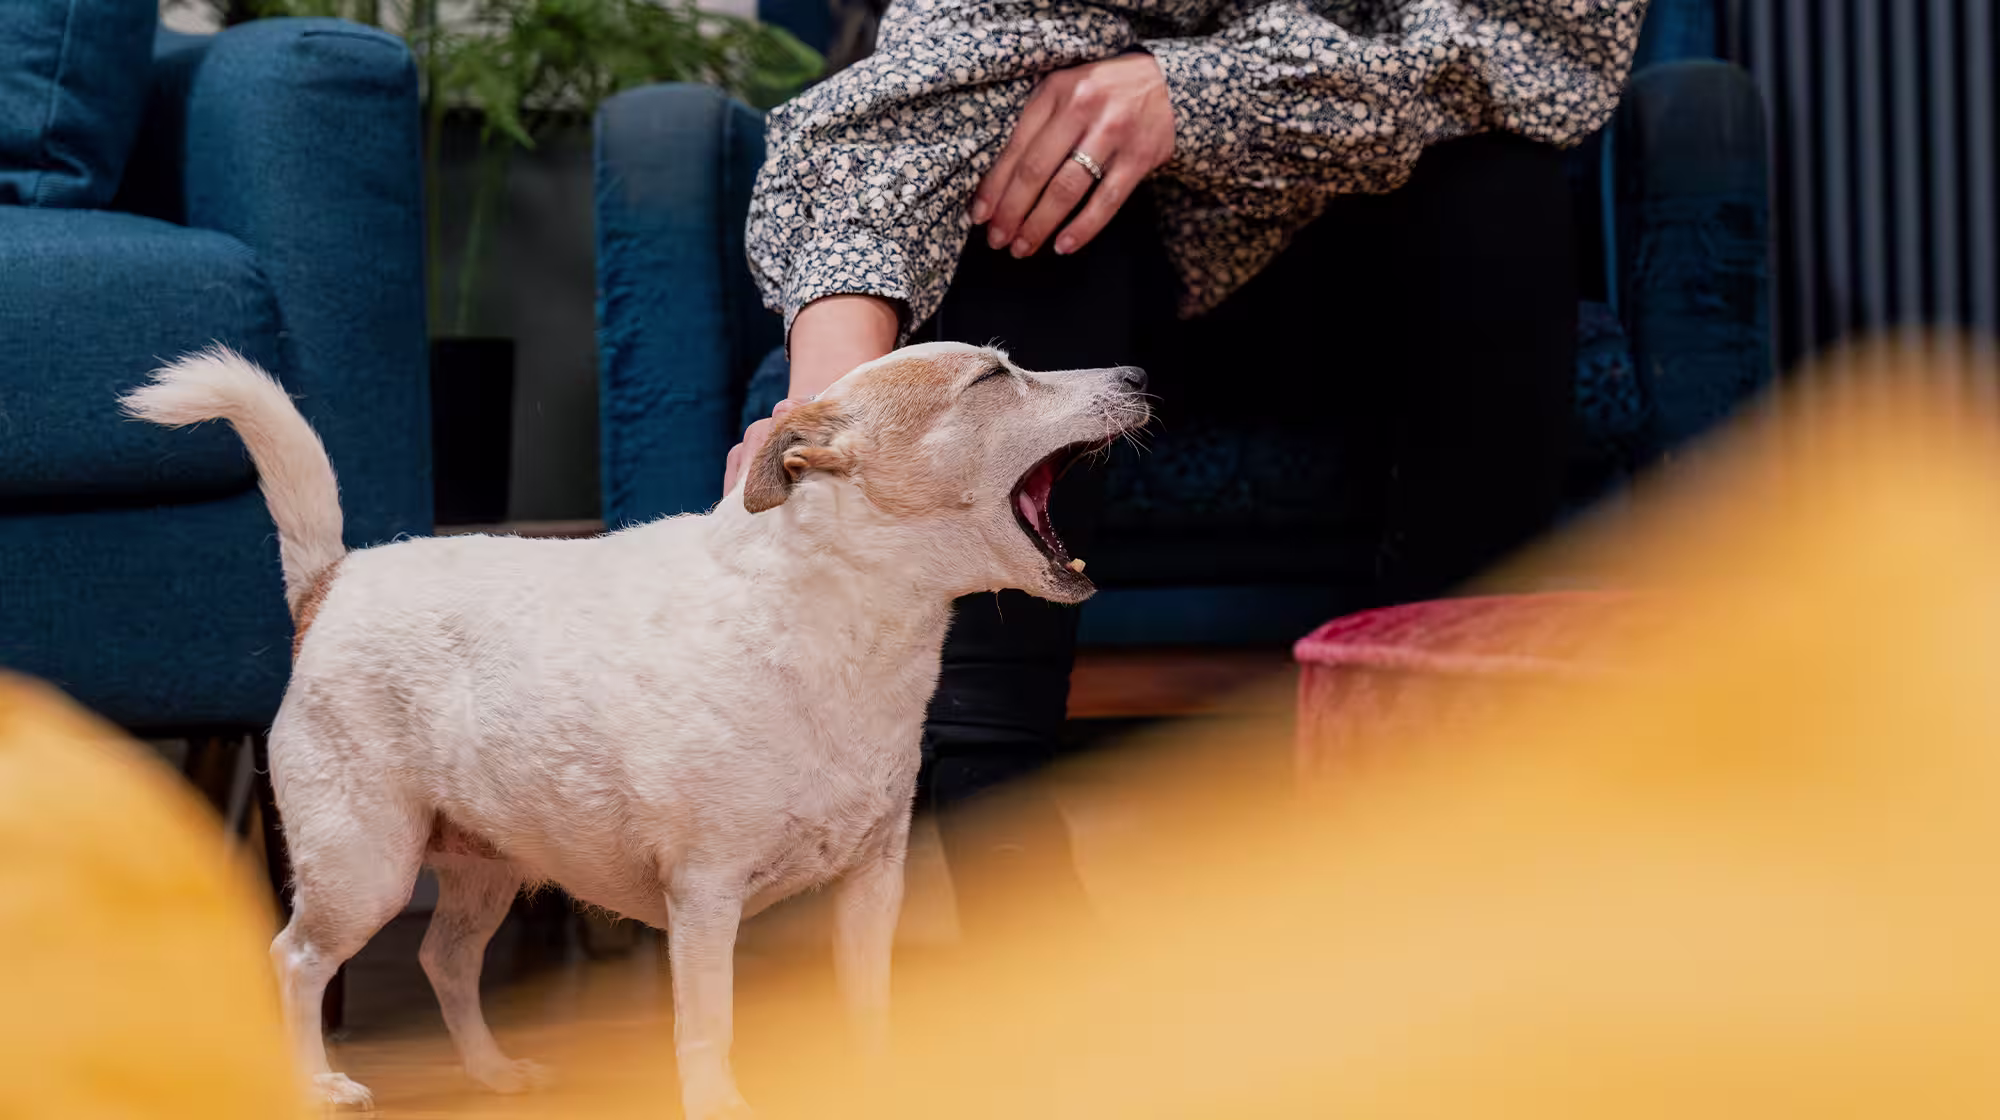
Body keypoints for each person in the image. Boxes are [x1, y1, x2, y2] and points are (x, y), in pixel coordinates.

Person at [723, 0, 1649, 939]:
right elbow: (933, 82)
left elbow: (1538, 52)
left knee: (1499, 182)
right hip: (1116, 277)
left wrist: (1193, 91)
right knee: (1039, 143)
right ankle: (991, 810)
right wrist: (828, 413)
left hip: (1388, 274)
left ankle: (1456, 785)